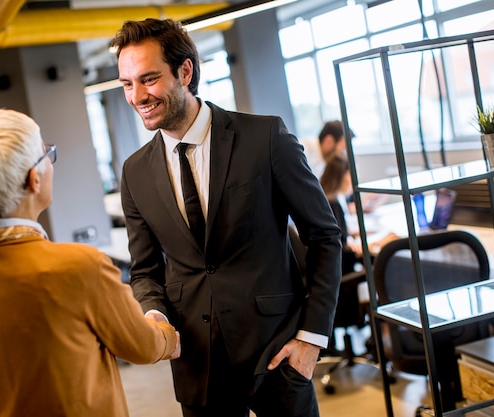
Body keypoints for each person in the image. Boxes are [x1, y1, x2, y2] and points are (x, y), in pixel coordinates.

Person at [110, 18, 342, 417]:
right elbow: (145, 270)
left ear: (185, 71)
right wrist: (154, 316)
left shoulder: (265, 138)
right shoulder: (134, 172)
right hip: (198, 365)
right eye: (127, 84)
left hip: (278, 356)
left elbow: (324, 236)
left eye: (148, 79)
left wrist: (311, 338)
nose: (137, 96)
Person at [0, 109, 180, 417]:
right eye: (47, 154)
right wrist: (167, 334)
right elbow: (142, 347)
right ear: (35, 179)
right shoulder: (80, 266)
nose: (50, 162)